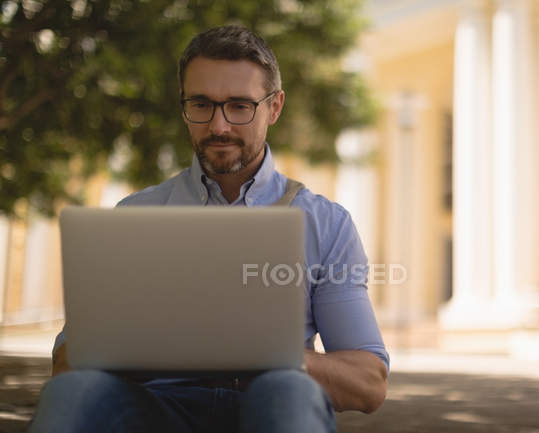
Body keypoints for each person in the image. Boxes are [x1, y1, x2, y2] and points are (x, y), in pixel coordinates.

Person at [28, 25, 388, 433]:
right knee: (72, 393)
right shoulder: (135, 216)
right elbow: (65, 365)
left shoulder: (326, 224)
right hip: (155, 408)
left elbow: (368, 383)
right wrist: (153, 342)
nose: (218, 126)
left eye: (239, 106)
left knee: (290, 390)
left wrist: (269, 356)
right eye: (201, 104)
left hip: (271, 404)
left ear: (274, 107)